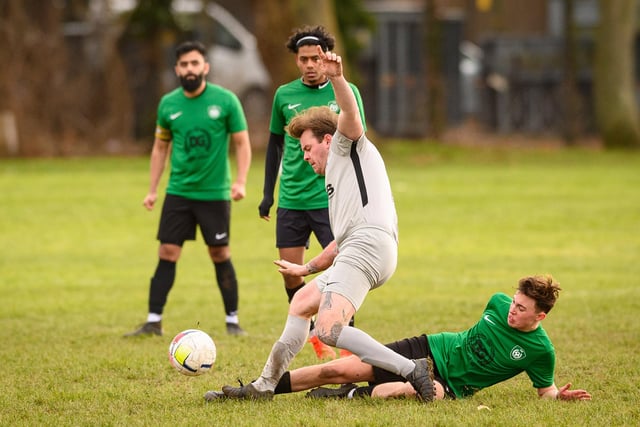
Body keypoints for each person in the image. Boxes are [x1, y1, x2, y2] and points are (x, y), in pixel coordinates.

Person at [213, 46, 436, 403]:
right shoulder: (336, 177)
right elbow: (338, 243)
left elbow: (349, 113)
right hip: (362, 247)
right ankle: (263, 386)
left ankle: (412, 370)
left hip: (368, 246)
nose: (303, 157)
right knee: (302, 301)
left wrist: (337, 77)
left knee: (330, 330)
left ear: (327, 141)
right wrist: (305, 267)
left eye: (305, 148)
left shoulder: (347, 147)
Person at [206, 275, 592, 402]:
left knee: (383, 394)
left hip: (449, 385)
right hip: (428, 348)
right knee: (336, 367)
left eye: (522, 310)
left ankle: (351, 394)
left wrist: (561, 396)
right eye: (515, 302)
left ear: (540, 317)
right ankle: (260, 389)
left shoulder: (541, 351)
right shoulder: (497, 301)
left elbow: (547, 393)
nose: (512, 310)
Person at [124, 41, 251, 337]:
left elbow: (242, 143)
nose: (189, 69)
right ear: (177, 69)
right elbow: (159, 147)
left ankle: (233, 321)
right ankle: (153, 321)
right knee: (167, 251)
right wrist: (153, 189)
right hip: (179, 192)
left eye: (195, 64)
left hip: (214, 193)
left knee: (220, 252)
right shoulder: (168, 104)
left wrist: (241, 181)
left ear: (205, 67)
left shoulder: (227, 100)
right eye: (184, 65)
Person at [258, 25, 365, 360]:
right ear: (296, 60)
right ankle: (314, 335)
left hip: (328, 199)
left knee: (343, 272)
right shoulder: (283, 95)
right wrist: (268, 193)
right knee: (290, 274)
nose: (308, 64)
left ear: (325, 57)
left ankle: (347, 346)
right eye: (302, 59)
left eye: (314, 58)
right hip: (291, 198)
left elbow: (358, 139)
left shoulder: (346, 93)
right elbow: (275, 146)